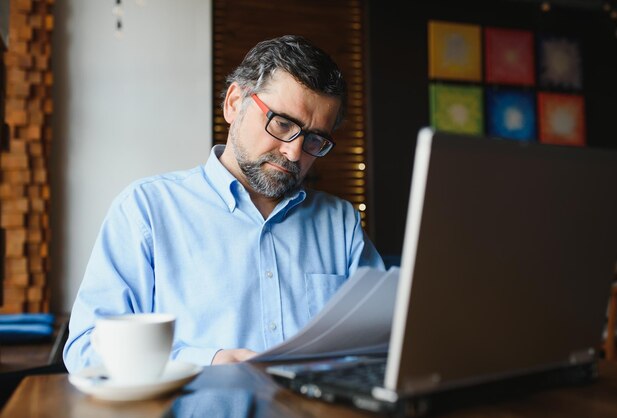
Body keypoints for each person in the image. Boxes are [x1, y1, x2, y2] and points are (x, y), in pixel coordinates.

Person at [63, 35, 384, 373]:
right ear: (234, 103)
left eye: (315, 138)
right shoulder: (145, 211)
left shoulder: (340, 223)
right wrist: (207, 362)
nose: (294, 152)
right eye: (283, 123)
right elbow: (87, 350)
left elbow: (384, 339)